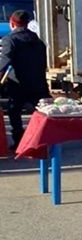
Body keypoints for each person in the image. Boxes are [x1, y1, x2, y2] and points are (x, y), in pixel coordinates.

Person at [0, 10, 50, 151]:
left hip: (18, 84)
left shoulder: (10, 40)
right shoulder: (38, 41)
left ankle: (19, 141)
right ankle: (44, 140)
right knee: (43, 112)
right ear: (27, 23)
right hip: (38, 83)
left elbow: (4, 62)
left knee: (14, 112)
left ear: (11, 23)